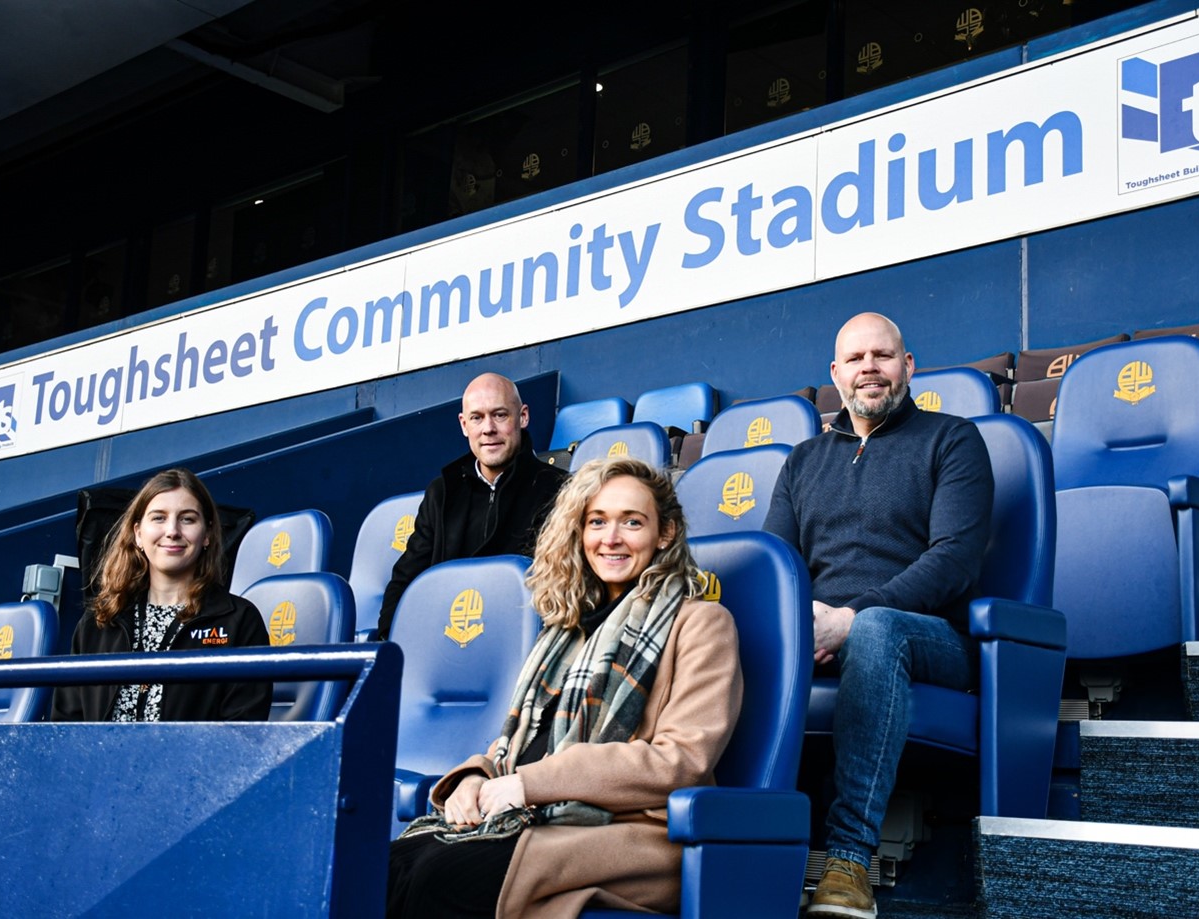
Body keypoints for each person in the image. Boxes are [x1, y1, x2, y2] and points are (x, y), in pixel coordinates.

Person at [386, 456, 743, 918]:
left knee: (438, 879)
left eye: (632, 522)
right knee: (386, 867)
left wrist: (530, 785)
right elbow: (520, 743)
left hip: (629, 831)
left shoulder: (702, 623)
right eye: (597, 522)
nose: (611, 538)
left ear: (665, 533)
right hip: (536, 817)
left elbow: (681, 761)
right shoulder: (565, 629)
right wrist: (476, 777)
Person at [763, 312, 993, 918]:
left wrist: (850, 617)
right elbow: (776, 565)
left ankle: (848, 861)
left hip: (930, 638)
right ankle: (733, 836)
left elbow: (955, 560)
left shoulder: (953, 439)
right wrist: (803, 624)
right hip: (824, 633)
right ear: (835, 374)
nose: (870, 368)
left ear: (907, 366)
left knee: (875, 629)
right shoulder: (803, 460)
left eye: (883, 355)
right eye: (855, 359)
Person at [52, 468, 273, 722]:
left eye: (187, 519)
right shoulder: (98, 622)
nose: (172, 531)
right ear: (138, 534)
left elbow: (242, 730)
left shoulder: (240, 620)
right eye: (158, 518)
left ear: (207, 535)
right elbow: (65, 727)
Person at [375, 372, 569, 639]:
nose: (488, 428)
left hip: (524, 639)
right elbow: (405, 579)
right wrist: (389, 641)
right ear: (464, 425)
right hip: (444, 638)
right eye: (477, 418)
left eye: (500, 415)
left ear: (523, 417)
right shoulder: (442, 492)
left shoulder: (560, 489)